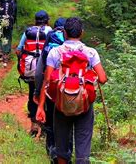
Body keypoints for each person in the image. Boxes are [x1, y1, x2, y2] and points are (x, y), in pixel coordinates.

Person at [36, 17, 107, 164]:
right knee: (83, 148)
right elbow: (102, 78)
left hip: (61, 105)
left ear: (65, 33)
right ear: (82, 33)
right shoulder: (91, 52)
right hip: (85, 106)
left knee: (61, 147)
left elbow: (47, 81)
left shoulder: (55, 53)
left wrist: (41, 107)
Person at [33, 17, 70, 161]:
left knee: (50, 121)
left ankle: (51, 151)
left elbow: (39, 71)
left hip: (51, 88)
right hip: (69, 89)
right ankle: (66, 154)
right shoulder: (76, 46)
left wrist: (38, 91)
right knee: (67, 121)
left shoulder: (50, 42)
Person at [16, 10, 52, 135]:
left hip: (30, 70)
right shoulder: (50, 31)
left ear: (35, 20)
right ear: (47, 20)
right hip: (45, 71)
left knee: (33, 95)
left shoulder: (28, 32)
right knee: (46, 97)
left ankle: (33, 125)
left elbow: (19, 50)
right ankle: (44, 128)